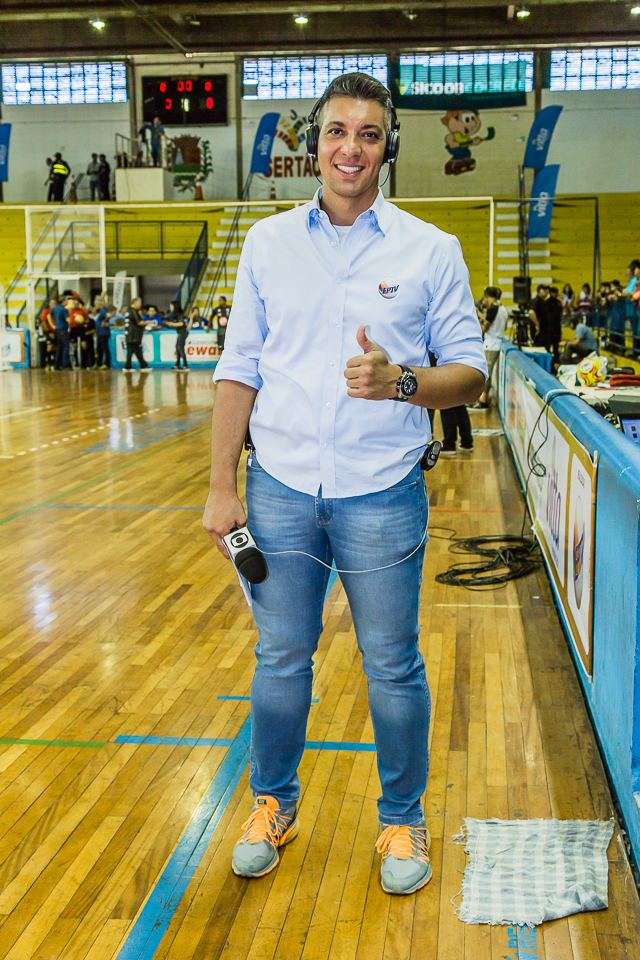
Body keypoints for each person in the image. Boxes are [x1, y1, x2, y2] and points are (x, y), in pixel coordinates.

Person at [202, 72, 486, 895]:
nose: (350, 148)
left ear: (387, 147)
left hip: (382, 491)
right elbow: (239, 367)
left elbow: (471, 376)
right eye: (336, 131)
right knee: (281, 656)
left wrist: (402, 382)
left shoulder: (431, 249)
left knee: (391, 664)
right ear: (315, 143)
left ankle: (402, 819)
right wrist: (221, 486)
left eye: (368, 134)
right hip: (280, 489)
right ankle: (272, 804)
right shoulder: (268, 244)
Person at [474, 285, 507, 407]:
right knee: (486, 373)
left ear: (487, 296)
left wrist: (478, 318)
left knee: (485, 374)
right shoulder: (503, 308)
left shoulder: (493, 309)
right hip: (496, 342)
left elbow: (484, 328)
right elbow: (505, 326)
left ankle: (483, 401)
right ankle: (482, 399)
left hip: (491, 345)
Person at [123, 296, 150, 370]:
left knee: (133, 351)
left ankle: (131, 366)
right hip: (134, 335)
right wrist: (149, 322)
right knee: (136, 350)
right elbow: (139, 322)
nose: (140, 305)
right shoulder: (133, 311)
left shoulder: (128, 311)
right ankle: (142, 366)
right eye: (140, 303)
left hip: (129, 335)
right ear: (136, 303)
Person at [165, 300, 191, 370]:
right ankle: (177, 364)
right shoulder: (176, 314)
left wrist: (171, 324)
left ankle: (185, 365)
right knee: (178, 348)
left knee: (180, 348)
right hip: (181, 332)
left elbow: (181, 324)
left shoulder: (180, 314)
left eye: (171, 306)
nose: (170, 308)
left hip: (183, 332)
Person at [52, 297, 71, 369]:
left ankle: (56, 364)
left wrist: (52, 325)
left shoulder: (55, 308)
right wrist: (70, 314)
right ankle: (65, 364)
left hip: (58, 329)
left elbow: (48, 315)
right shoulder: (63, 309)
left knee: (59, 347)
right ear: (63, 301)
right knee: (66, 347)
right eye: (66, 300)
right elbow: (68, 319)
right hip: (63, 329)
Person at [546, 286, 563, 367]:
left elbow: (560, 313)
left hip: (557, 327)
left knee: (556, 346)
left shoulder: (558, 302)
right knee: (548, 346)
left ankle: (556, 361)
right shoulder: (547, 302)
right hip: (549, 327)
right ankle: (548, 362)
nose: (555, 294)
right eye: (553, 292)